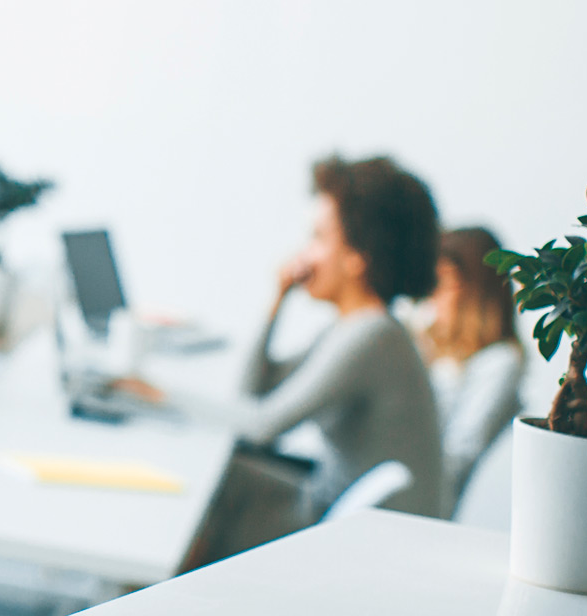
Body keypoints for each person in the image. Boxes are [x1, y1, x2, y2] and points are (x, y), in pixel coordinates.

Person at [121, 155, 445, 559]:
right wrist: (277, 299)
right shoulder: (353, 328)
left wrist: (156, 394)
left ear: (357, 256)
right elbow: (253, 388)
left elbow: (262, 426)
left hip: (346, 534)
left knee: (218, 485)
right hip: (332, 508)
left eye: (319, 238)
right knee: (226, 475)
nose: (303, 255)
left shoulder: (373, 336)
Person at [417, 226, 524, 516]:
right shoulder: (426, 342)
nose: (431, 297)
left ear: (473, 290)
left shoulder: (500, 362)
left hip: (424, 507)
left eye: (441, 282)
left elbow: (460, 455)